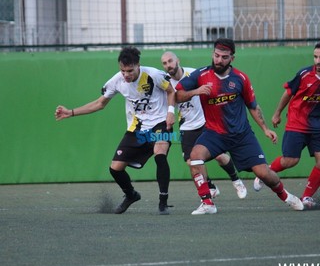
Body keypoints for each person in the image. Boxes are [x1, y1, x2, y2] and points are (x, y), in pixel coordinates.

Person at [175, 38, 304, 215]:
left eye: (224, 57)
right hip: (214, 133)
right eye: (216, 55)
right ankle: (207, 203)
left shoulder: (241, 79)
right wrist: (195, 92)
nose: (219, 60)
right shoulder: (200, 75)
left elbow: (253, 106)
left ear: (232, 59)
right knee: (195, 157)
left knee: (265, 174)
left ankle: (287, 196)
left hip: (242, 136)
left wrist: (265, 129)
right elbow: (178, 94)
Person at [55, 46, 175, 215]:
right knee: (115, 168)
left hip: (161, 123)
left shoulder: (153, 75)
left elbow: (171, 91)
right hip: (137, 128)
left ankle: (163, 202)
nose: (126, 75)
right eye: (122, 70)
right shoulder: (117, 81)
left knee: (160, 153)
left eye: (130, 71)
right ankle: (131, 195)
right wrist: (71, 112)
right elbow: (99, 104)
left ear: (138, 65)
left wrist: (171, 113)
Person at [161, 51, 247, 200]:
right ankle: (211, 187)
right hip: (187, 125)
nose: (168, 65)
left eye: (170, 61)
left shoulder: (193, 74)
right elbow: (171, 101)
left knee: (220, 156)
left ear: (177, 60)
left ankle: (236, 180)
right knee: (191, 161)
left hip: (205, 121)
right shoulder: (166, 83)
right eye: (165, 63)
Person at [253, 43, 320, 208]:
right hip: (297, 123)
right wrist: (277, 113)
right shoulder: (304, 75)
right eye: (315, 57)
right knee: (291, 160)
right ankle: (265, 173)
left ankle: (306, 197)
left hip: (317, 126)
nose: (318, 61)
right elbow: (288, 92)